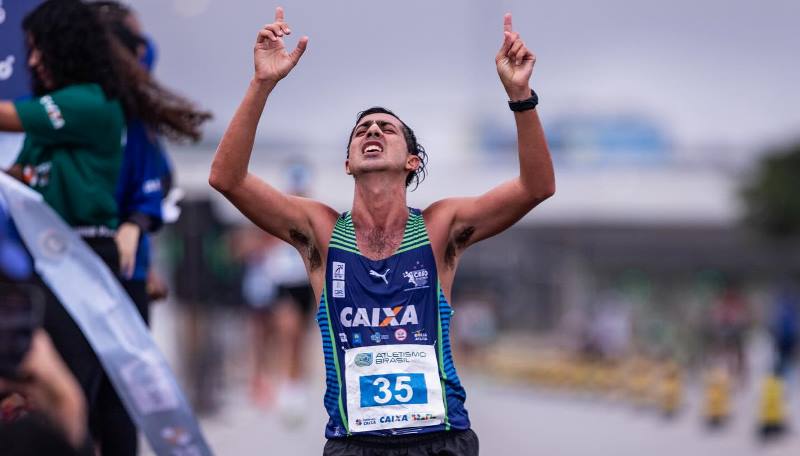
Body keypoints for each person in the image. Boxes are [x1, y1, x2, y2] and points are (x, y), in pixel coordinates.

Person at [209, 7, 554, 455]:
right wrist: (262, 84)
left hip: (441, 440)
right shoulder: (322, 232)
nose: (372, 130)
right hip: (354, 443)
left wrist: (521, 96)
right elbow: (227, 179)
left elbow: (537, 186)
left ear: (412, 161)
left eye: (386, 128)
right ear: (348, 162)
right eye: (361, 131)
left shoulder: (439, 227)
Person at [0, 1, 208, 454]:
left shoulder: (90, 105)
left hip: (94, 267)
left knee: (93, 399)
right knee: (77, 396)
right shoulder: (54, 119)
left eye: (38, 49)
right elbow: (19, 182)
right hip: (56, 265)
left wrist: (137, 226)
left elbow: (154, 186)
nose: (32, 59)